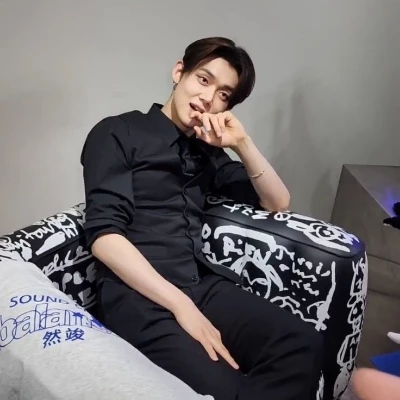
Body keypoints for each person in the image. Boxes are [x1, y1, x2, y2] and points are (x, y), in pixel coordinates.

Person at [81, 36, 323, 400]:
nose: (208, 98)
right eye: (204, 79)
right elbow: (104, 237)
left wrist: (241, 143)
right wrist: (181, 306)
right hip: (136, 293)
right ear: (179, 72)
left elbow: (278, 201)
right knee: (225, 387)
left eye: (223, 94)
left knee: (301, 343)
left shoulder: (208, 153)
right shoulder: (117, 131)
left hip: (199, 283)